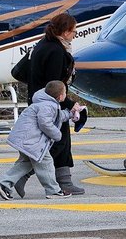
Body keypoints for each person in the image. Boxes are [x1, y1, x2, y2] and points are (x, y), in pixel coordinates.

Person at [15, 13, 85, 197]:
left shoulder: (42, 45)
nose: (74, 35)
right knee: (53, 144)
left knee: (59, 142)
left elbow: (22, 74)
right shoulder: (55, 51)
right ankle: (18, 177)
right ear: (64, 31)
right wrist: (70, 104)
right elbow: (54, 84)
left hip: (38, 101)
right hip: (50, 104)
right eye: (73, 31)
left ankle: (64, 181)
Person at [0, 81, 80, 200]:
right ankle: (53, 190)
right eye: (65, 92)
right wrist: (57, 135)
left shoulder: (45, 103)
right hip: (32, 142)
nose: (66, 95)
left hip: (26, 141)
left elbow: (57, 116)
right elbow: (45, 123)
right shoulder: (48, 106)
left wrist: (70, 114)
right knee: (47, 163)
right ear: (60, 96)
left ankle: (4, 184)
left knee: (25, 163)